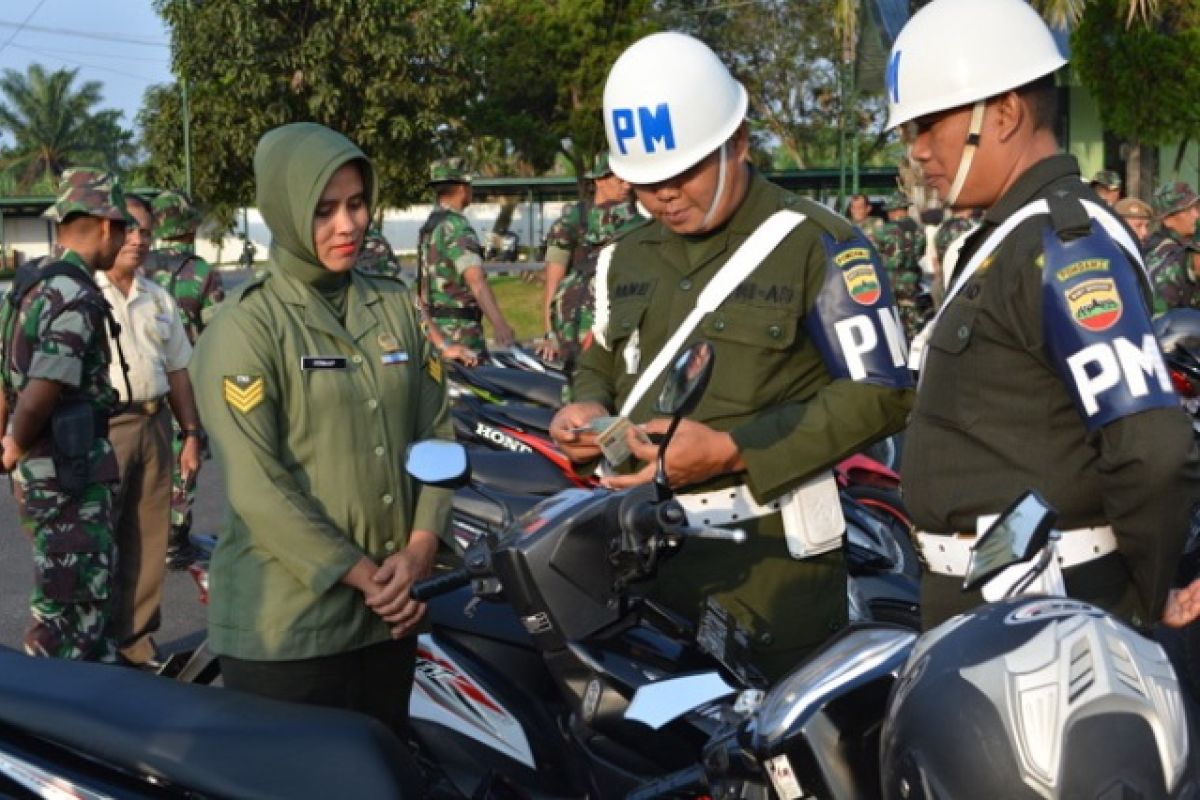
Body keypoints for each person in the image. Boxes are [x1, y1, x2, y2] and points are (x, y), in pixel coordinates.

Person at [549, 32, 914, 682]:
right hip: (642, 566)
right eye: (645, 181)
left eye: (683, 171)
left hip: (772, 575)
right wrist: (587, 406)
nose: (663, 195)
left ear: (738, 141)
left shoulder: (817, 246)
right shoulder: (624, 256)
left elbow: (881, 392)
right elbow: (602, 359)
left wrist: (735, 449)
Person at [889, 0, 1200, 632]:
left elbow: (1151, 448)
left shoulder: (1063, 244)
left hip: (1044, 606)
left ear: (1003, 113)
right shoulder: (1007, 241)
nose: (918, 150)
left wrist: (1141, 593)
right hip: (991, 596)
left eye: (928, 124)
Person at [189, 122, 453, 737]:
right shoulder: (248, 328)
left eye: (357, 204)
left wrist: (419, 551)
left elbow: (436, 436)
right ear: (284, 212)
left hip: (391, 616)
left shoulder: (391, 306)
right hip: (287, 632)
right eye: (324, 209)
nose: (348, 225)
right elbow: (259, 488)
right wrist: (366, 576)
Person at [0, 168, 128, 661]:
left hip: (43, 468)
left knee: (64, 597)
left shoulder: (27, 287)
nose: (124, 239)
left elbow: (4, 379)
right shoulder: (74, 295)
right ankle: (57, 721)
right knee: (73, 615)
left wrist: (10, 451)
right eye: (121, 227)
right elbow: (40, 389)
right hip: (68, 473)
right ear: (102, 226)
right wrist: (14, 444)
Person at [99, 192, 204, 668]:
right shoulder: (85, 294)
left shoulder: (158, 297)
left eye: (145, 231)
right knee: (96, 539)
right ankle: (92, 643)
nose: (139, 240)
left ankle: (136, 643)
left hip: (155, 422)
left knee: (148, 537)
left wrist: (191, 434)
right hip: (103, 428)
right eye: (130, 229)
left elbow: (179, 369)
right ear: (110, 232)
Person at [145, 189, 225, 570]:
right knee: (186, 454)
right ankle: (174, 538)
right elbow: (218, 331)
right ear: (188, 225)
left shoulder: (137, 266)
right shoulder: (201, 272)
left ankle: (148, 533)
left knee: (149, 456)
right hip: (186, 381)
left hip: (144, 381)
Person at [536, 150, 642, 368]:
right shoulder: (572, 220)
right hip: (574, 323)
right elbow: (553, 280)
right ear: (599, 180)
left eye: (629, 178)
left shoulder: (637, 219)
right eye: (619, 179)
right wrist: (549, 334)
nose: (627, 186)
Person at [418, 157, 516, 355]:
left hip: (434, 331)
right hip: (460, 332)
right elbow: (475, 279)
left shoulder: (430, 225)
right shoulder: (457, 226)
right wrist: (500, 325)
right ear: (463, 188)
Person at [872, 191, 929, 340]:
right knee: (911, 318)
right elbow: (921, 252)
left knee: (891, 319)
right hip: (911, 278)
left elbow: (873, 254)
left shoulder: (885, 230)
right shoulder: (918, 229)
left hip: (890, 280)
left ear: (894, 210)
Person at [1146, 182, 1200, 314]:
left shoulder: (1186, 243)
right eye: (1187, 210)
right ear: (1167, 219)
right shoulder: (1166, 255)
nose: (1196, 215)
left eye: (1195, 207)